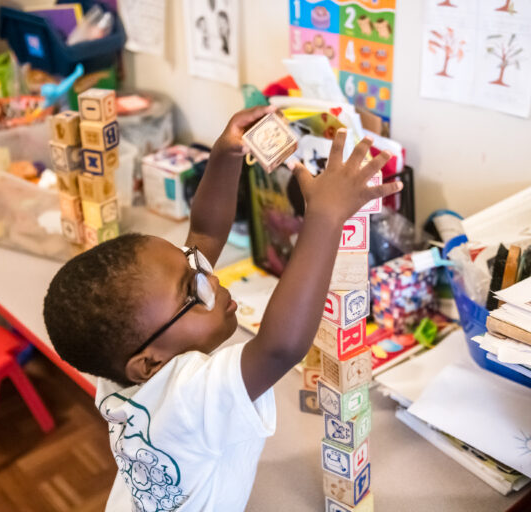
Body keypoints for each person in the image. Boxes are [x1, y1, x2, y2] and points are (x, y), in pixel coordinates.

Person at [43, 106, 401, 512]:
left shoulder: (124, 364)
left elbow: (205, 233)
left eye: (195, 267)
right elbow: (279, 347)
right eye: (191, 291)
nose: (212, 279)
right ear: (148, 363)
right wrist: (324, 217)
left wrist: (226, 155)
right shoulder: (183, 401)